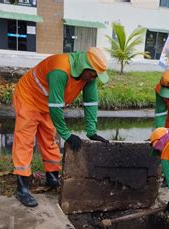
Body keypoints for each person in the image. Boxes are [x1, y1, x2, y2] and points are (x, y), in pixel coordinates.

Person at [12, 47, 109, 207]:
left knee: (49, 138)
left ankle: (52, 177)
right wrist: (67, 135)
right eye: (93, 74)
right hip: (28, 98)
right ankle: (22, 188)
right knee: (25, 140)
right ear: (85, 67)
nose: (94, 78)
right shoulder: (60, 69)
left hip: (48, 103)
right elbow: (56, 105)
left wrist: (92, 132)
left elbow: (91, 103)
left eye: (96, 75)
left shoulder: (89, 77)